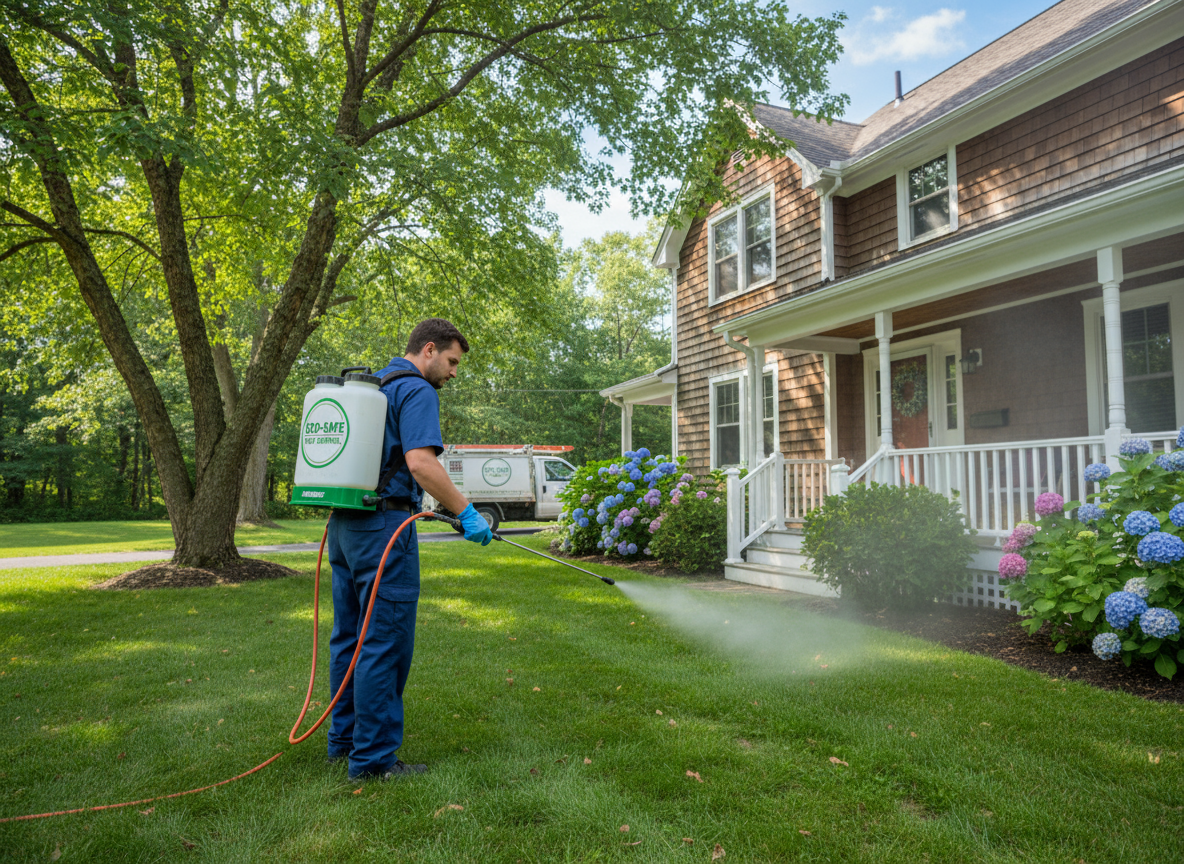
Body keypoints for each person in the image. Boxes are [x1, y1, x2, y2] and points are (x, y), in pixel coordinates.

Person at [326, 317, 493, 781]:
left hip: (346, 525)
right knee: (384, 644)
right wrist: (465, 511)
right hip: (385, 530)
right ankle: (374, 760)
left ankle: (343, 742)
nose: (454, 372)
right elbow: (421, 463)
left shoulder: (372, 387)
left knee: (349, 639)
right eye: (452, 361)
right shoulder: (415, 390)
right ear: (429, 349)